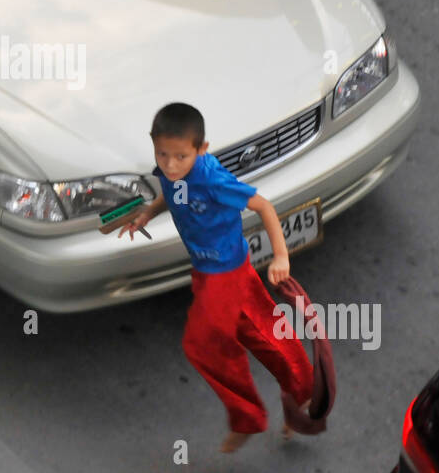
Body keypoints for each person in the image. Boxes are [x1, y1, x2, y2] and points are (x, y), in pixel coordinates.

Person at [118, 102, 315, 453]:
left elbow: (264, 206)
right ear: (154, 145)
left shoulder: (212, 179)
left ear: (202, 149)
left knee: (203, 346)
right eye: (162, 154)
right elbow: (172, 191)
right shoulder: (170, 170)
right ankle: (302, 392)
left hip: (225, 273)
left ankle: (248, 417)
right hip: (211, 270)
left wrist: (281, 256)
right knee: (262, 333)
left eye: (180, 156)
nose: (170, 164)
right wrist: (148, 212)